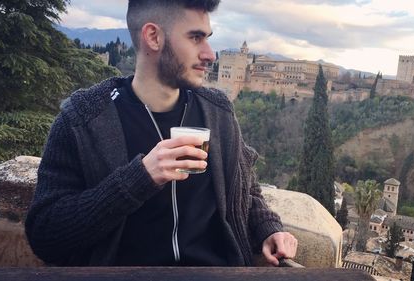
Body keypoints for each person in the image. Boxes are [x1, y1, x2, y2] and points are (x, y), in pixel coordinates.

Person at [25, 0, 297, 267]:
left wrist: (268, 228)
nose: (210, 54)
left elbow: (244, 187)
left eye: (208, 38)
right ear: (153, 37)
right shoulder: (84, 119)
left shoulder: (218, 111)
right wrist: (139, 178)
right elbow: (45, 235)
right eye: (195, 38)